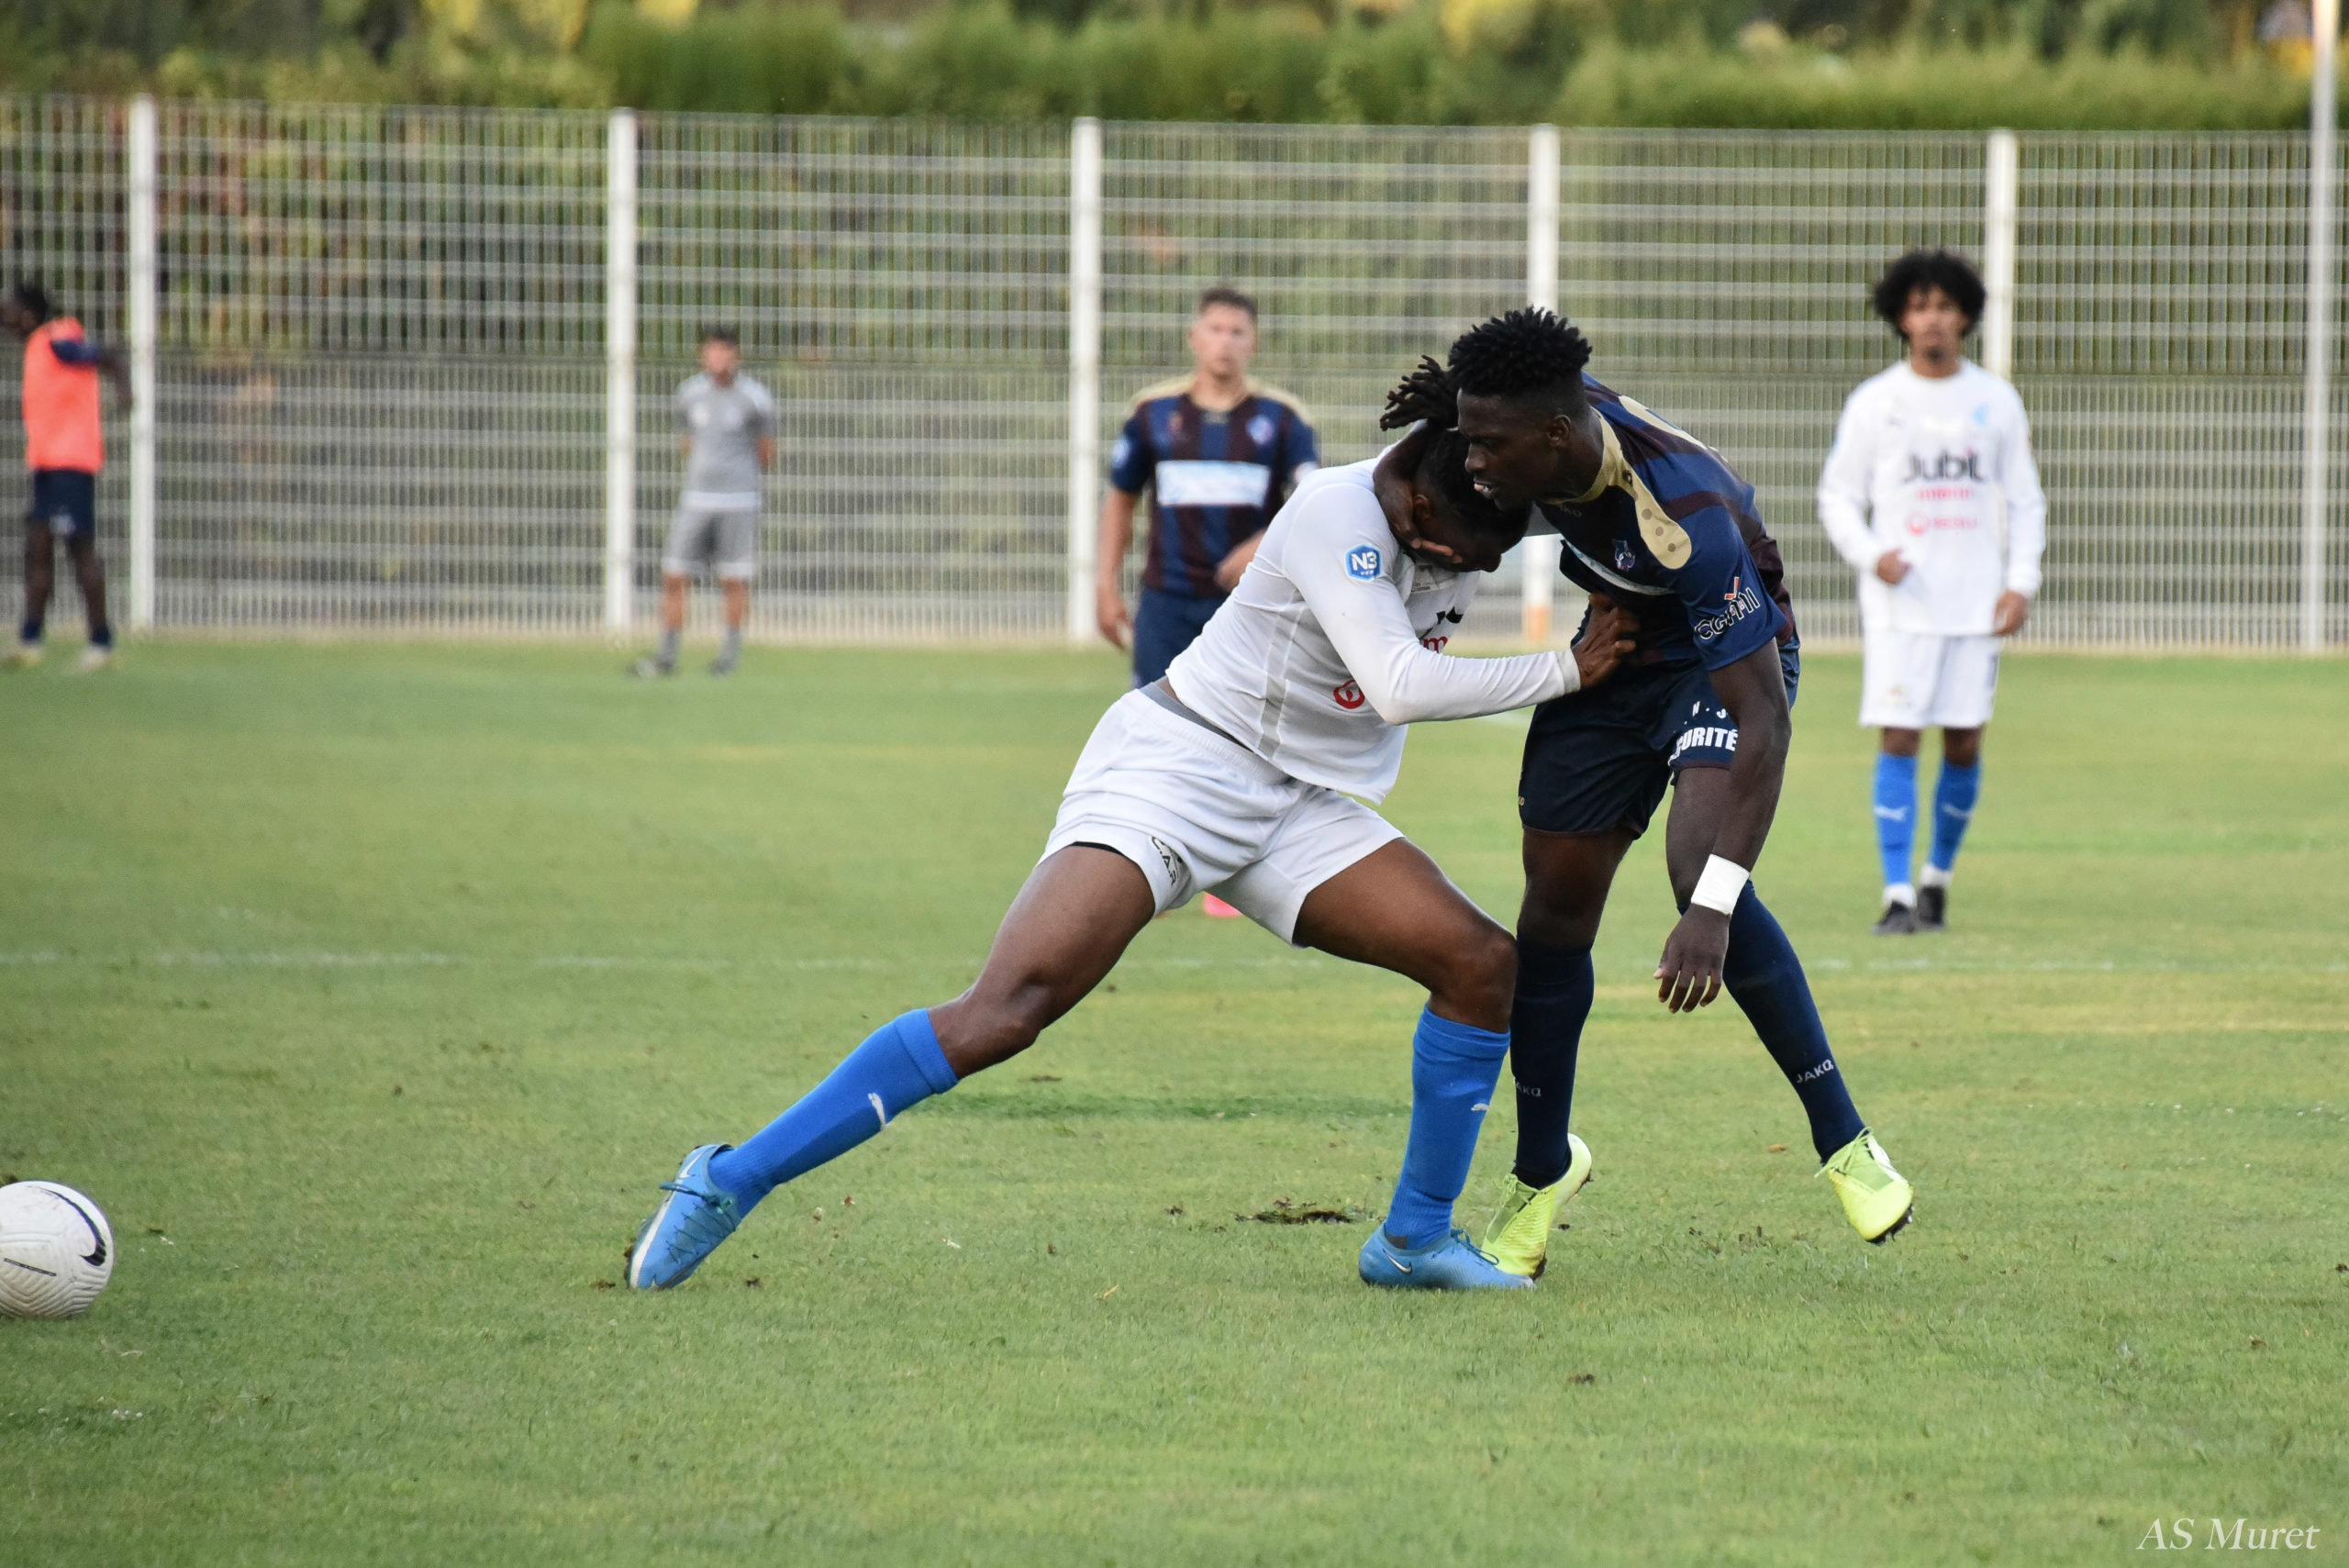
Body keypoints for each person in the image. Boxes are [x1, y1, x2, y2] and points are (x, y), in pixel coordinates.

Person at [626, 364, 1636, 1296]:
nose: (1471, 566)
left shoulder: (1474, 493)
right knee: (1007, 1009)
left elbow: (1605, 460)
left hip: (1295, 800)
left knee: (1479, 965)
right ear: (1414, 502)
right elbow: (1398, 684)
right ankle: (727, 1177)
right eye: (1457, 552)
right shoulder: (1339, 512)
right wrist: (1567, 667)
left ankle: (1414, 1238)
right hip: (1176, 768)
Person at [1373, 309, 1916, 1277]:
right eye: (1467, 438)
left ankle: (1844, 1140)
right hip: (1616, 649)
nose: (1474, 463)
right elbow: (1419, 459)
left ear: (1555, 435)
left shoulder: (1686, 519)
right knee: (1553, 910)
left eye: (1488, 446)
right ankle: (1542, 1170)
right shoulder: (1526, 424)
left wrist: (1711, 912)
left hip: (1725, 664)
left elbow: (1765, 724)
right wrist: (1406, 475)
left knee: (1698, 868)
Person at [1817, 250, 2046, 935]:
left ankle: (1937, 880)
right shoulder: (1876, 402)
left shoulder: (1995, 401)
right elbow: (1837, 495)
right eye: (1919, 307)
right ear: (1900, 318)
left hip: (1976, 603)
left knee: (1965, 741)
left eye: (1945, 306)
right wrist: (1871, 555)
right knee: (1899, 734)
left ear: (1966, 316)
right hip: (1902, 607)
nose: (1933, 320)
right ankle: (1896, 893)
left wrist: (2021, 581)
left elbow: (2025, 499)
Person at [634, 326, 774, 679]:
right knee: (674, 573)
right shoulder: (689, 394)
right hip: (697, 499)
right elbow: (688, 441)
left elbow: (766, 451)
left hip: (739, 501)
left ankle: (727, 658)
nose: (718, 358)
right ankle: (667, 655)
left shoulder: (755, 398)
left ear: (736, 355)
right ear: (703, 355)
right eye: (713, 351)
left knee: (734, 579)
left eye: (725, 351)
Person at [6, 281, 128, 673]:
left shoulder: (58, 340)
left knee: (79, 549)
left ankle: (101, 643)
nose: (7, 317)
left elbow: (105, 356)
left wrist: (124, 386)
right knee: (37, 548)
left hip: (70, 464)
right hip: (47, 464)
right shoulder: (38, 345)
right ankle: (30, 640)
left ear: (28, 315)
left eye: (12, 310)